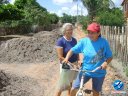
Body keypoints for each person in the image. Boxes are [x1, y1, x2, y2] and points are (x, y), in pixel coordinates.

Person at [63, 22, 113, 96]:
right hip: (85, 71)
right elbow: (72, 50)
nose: (90, 35)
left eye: (92, 33)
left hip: (98, 72)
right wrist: (66, 58)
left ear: (98, 33)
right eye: (89, 32)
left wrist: (106, 62)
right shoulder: (84, 41)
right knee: (74, 88)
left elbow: (110, 56)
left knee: (95, 92)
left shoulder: (104, 42)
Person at [55, 23, 82, 96]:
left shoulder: (74, 40)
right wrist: (71, 64)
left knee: (70, 82)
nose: (70, 31)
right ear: (64, 31)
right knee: (62, 85)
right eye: (68, 30)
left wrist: (79, 59)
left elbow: (76, 51)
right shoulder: (60, 41)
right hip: (66, 66)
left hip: (74, 64)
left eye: (71, 29)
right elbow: (60, 57)